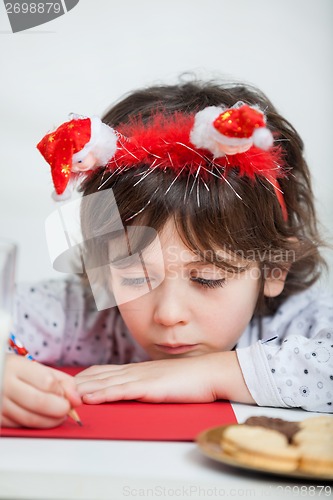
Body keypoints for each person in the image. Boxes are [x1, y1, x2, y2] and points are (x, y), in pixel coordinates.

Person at [6, 80, 333, 426]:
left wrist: (215, 374)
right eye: (134, 276)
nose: (168, 314)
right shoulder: (87, 315)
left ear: (274, 270)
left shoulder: (300, 319)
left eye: (207, 278)